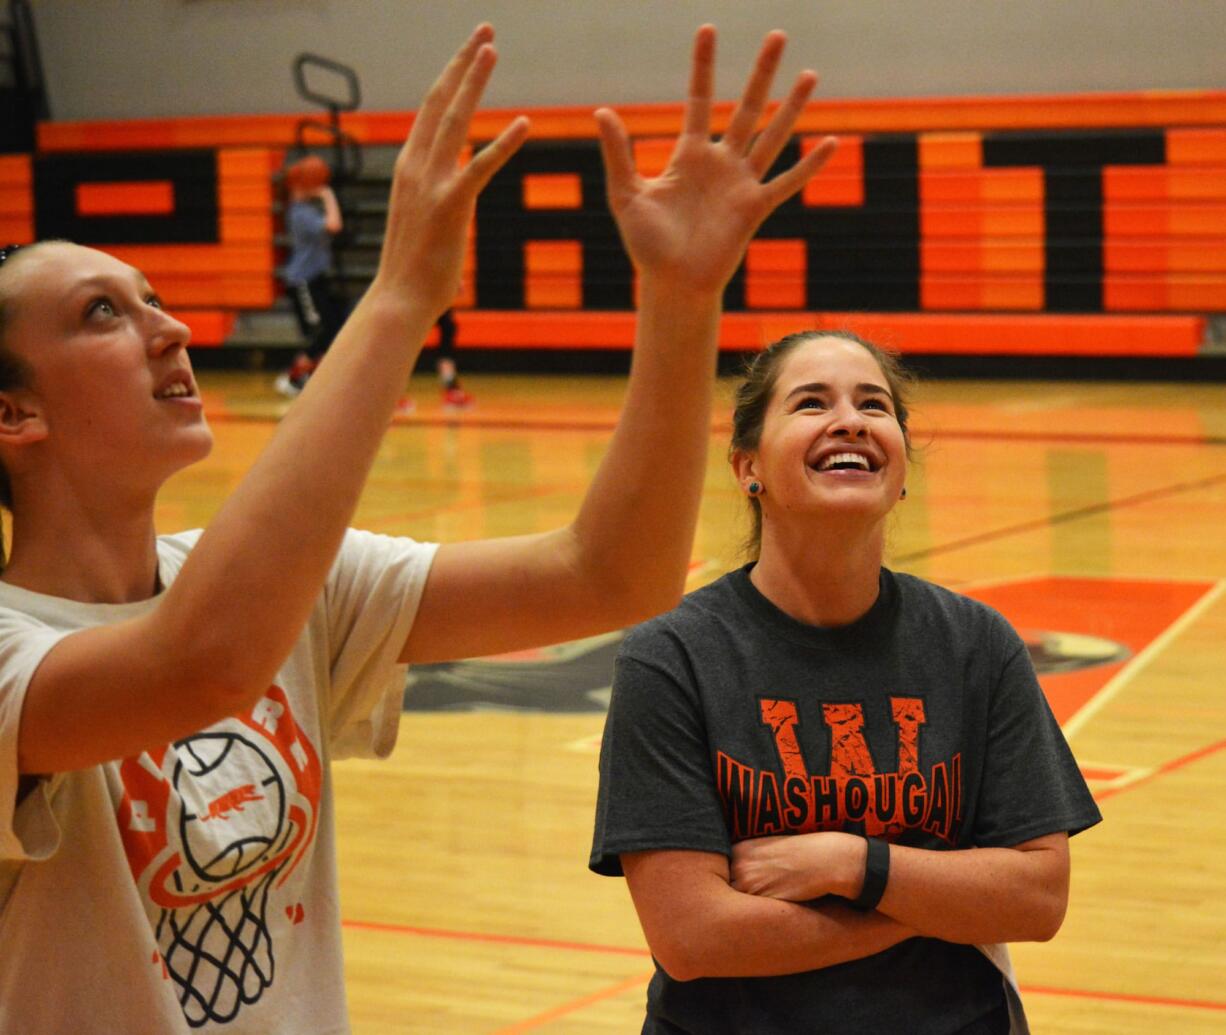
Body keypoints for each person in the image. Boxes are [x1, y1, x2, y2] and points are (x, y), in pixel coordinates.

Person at [0, 23, 834, 1034]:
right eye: (101, 314)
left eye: (154, 298)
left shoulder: (283, 589)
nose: (168, 329)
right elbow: (204, 665)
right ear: (14, 416)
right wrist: (395, 298)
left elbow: (609, 575)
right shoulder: (18, 648)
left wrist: (679, 296)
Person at [590, 330, 1103, 1034]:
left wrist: (852, 862)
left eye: (874, 404)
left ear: (901, 474)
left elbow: (1038, 897)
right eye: (811, 402)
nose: (851, 419)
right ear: (748, 467)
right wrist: (926, 902)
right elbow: (694, 936)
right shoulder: (672, 658)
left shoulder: (977, 644)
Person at [274, 153, 347, 397]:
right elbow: (335, 225)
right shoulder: (300, 213)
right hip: (303, 280)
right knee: (321, 332)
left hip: (316, 278)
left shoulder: (304, 210)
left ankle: (314, 378)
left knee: (334, 329)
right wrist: (327, 195)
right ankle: (293, 377)